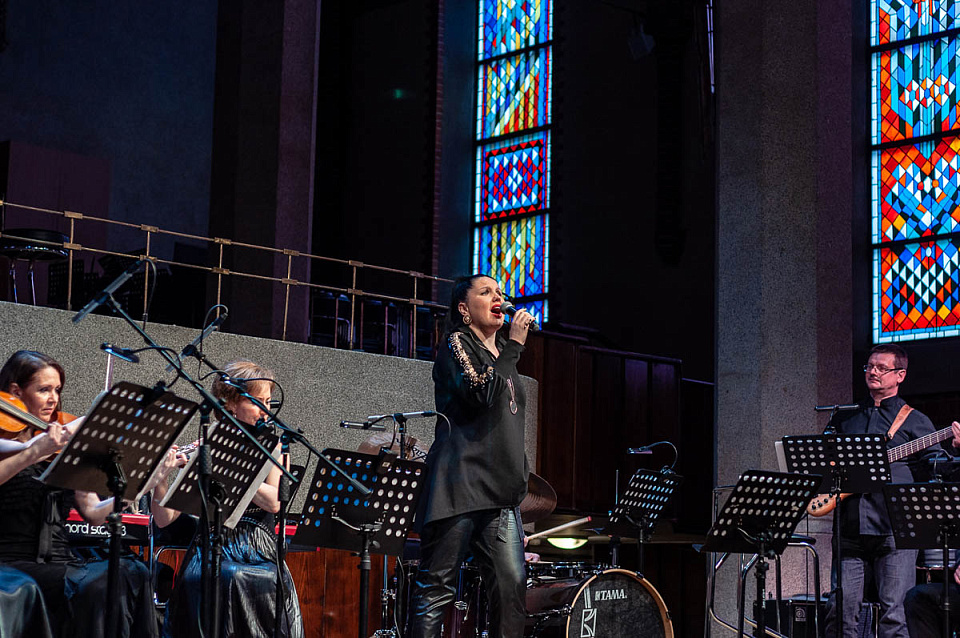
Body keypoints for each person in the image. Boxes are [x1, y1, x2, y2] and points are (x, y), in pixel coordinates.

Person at [409, 274, 537, 638]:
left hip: (499, 494)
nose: (497, 297)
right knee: (437, 588)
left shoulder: (505, 357)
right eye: (486, 292)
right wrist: (513, 346)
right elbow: (481, 391)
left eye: (499, 292)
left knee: (511, 585)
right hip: (460, 486)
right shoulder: (456, 343)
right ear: (464, 309)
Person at [0, 350, 157, 637]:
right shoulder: (7, 444)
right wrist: (34, 451)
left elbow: (95, 513)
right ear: (15, 391)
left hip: (62, 559)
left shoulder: (58, 447)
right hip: (12, 563)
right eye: (44, 390)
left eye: (57, 390)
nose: (54, 399)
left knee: (133, 572)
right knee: (101, 584)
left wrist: (142, 484)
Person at [158, 360, 303, 638]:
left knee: (235, 577)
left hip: (257, 546)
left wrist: (224, 467)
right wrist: (162, 475)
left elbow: (274, 503)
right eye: (256, 401)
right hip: (212, 543)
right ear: (229, 403)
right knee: (215, 576)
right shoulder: (207, 443)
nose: (266, 410)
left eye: (268, 402)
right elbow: (164, 519)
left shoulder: (274, 445)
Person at [823, 344, 936, 638]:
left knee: (894, 615)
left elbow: (937, 468)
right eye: (869, 367)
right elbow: (825, 462)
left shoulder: (915, 420)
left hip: (894, 529)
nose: (872, 372)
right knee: (840, 610)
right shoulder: (846, 417)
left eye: (881, 368)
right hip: (849, 527)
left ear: (900, 375)